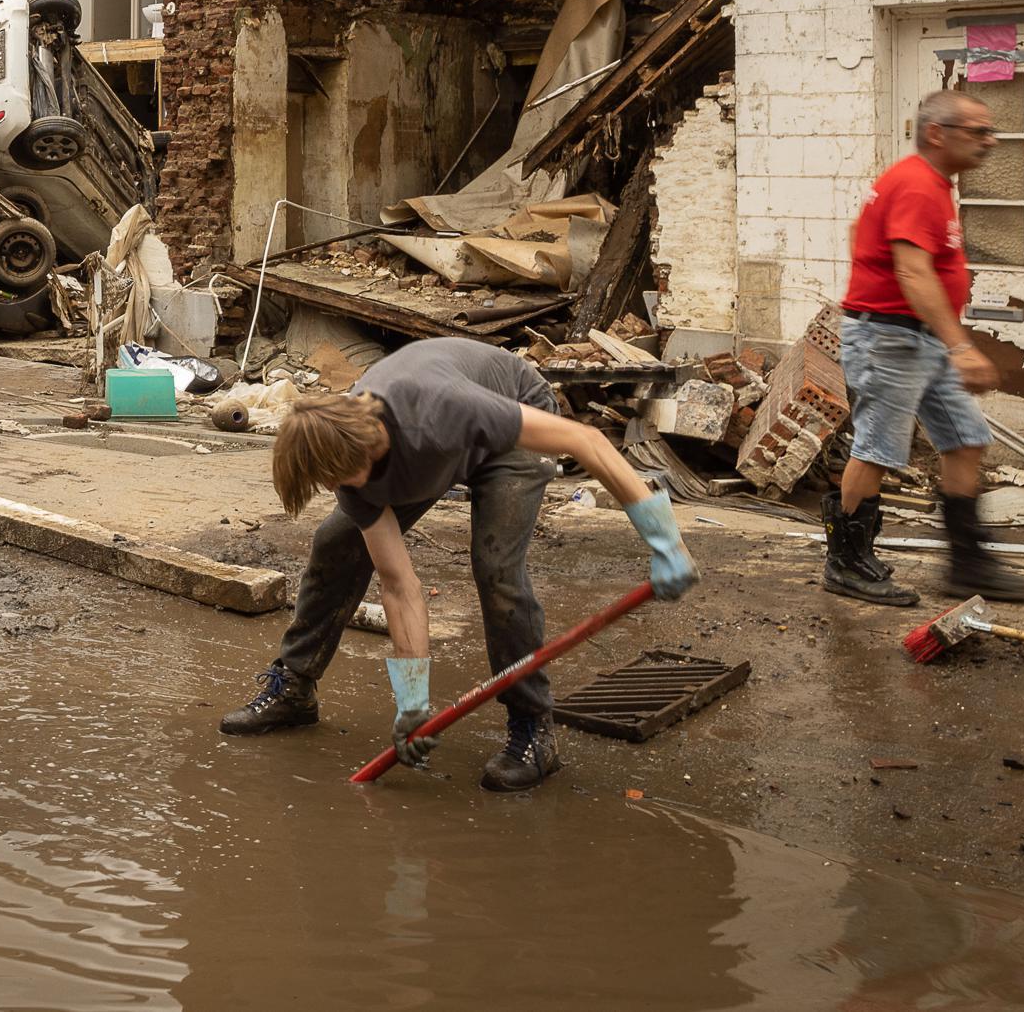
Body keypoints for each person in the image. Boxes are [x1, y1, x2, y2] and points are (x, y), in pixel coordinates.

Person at [218, 338, 697, 791]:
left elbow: (586, 440)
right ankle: (295, 688)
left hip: (509, 427)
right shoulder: (350, 465)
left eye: (340, 476)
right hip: (430, 449)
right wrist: (412, 702)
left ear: (365, 448)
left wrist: (665, 541)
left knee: (496, 568)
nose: (339, 488)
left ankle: (533, 727)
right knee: (336, 541)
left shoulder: (441, 410)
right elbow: (400, 585)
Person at [825, 89, 1024, 606]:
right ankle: (845, 564)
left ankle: (968, 565)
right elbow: (913, 270)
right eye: (978, 131)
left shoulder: (927, 184)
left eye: (990, 131)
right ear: (937, 133)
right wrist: (961, 347)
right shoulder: (918, 184)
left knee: (965, 438)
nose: (990, 141)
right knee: (876, 450)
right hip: (891, 338)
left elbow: (860, 233)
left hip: (918, 338)